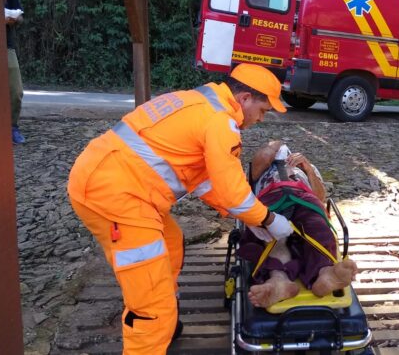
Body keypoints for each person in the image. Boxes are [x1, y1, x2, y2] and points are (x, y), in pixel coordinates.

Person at [67, 64, 293, 355]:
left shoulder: (198, 102)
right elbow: (233, 192)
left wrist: (242, 216)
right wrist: (268, 218)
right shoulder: (221, 123)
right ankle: (157, 323)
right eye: (263, 111)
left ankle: (166, 324)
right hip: (116, 196)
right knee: (151, 306)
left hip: (115, 182)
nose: (261, 119)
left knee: (171, 243)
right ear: (245, 98)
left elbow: (204, 181)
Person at [238, 141, 358, 309]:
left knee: (317, 226)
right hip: (272, 196)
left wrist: (307, 168)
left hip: (304, 197)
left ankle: (325, 273)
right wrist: (275, 146)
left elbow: (320, 197)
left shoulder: (306, 168)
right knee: (272, 236)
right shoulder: (260, 168)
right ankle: (279, 280)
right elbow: (263, 157)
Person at [5, 0, 25, 144]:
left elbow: (21, 18)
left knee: (16, 91)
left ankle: (13, 127)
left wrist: (13, 19)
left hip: (7, 47)